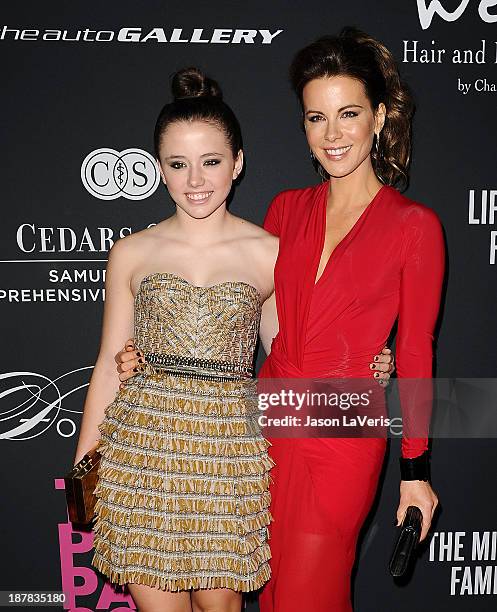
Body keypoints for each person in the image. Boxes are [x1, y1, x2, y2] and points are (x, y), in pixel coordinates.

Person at [73, 67, 280, 612]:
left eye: (211, 161)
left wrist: (367, 365)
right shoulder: (131, 252)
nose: (195, 180)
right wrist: (83, 468)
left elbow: (287, 361)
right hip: (143, 454)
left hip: (228, 456)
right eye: (178, 164)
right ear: (159, 170)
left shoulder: (271, 254)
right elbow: (106, 362)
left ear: (238, 162)